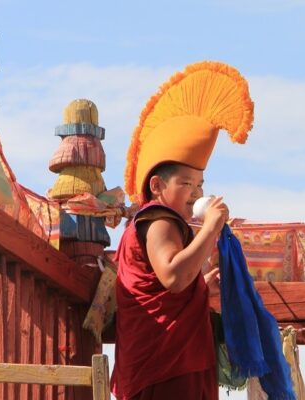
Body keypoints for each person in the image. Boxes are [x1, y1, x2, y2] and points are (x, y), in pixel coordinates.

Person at [111, 61, 254, 400]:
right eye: (186, 182)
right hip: (165, 369)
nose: (196, 192)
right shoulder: (158, 219)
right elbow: (173, 277)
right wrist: (211, 229)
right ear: (157, 186)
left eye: (200, 183)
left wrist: (199, 288)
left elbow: (175, 286)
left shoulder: (166, 222)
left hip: (178, 364)